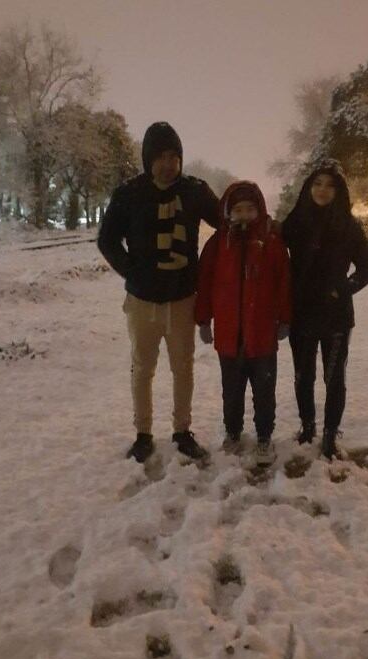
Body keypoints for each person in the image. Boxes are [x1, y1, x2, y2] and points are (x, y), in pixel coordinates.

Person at [97, 121, 219, 463]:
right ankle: (143, 434)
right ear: (148, 159)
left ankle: (182, 431)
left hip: (182, 299)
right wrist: (131, 270)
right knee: (142, 368)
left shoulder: (195, 191)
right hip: (141, 302)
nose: (168, 164)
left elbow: (225, 222)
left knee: (183, 368)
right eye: (161, 157)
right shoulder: (129, 194)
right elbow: (106, 240)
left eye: (174, 156)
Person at [282, 160, 368, 459]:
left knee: (334, 377)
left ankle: (329, 434)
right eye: (317, 184)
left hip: (336, 316)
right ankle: (308, 427)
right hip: (301, 313)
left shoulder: (348, 226)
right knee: (303, 375)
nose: (322, 190)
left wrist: (342, 289)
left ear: (339, 191)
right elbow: (271, 255)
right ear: (309, 187)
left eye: (329, 185)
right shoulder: (295, 221)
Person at [195, 181, 291, 466]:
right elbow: (205, 282)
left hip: (262, 337)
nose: (244, 215)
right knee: (232, 391)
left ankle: (264, 436)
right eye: (238, 210)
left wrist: (284, 319)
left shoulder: (272, 244)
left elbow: (284, 283)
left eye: (250, 209)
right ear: (228, 212)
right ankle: (233, 433)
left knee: (264, 391)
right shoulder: (217, 245)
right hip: (228, 337)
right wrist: (203, 320)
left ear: (259, 209)